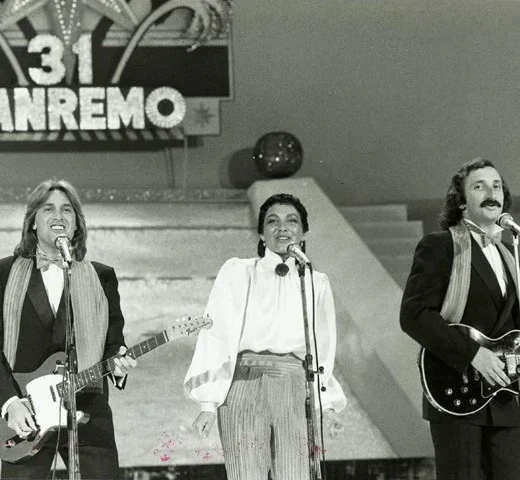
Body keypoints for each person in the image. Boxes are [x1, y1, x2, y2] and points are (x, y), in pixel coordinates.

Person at [184, 193, 346, 480]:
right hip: (242, 385)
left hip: (295, 387)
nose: (282, 227)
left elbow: (323, 347)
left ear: (303, 232)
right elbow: (216, 335)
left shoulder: (315, 281)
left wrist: (327, 404)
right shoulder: (238, 272)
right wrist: (207, 404)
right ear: (261, 233)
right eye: (272, 221)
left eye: (291, 221)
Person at [0, 179, 136, 480]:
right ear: (33, 221)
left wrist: (119, 364)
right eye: (48, 209)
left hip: (88, 408)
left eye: (67, 210)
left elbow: (114, 344)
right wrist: (9, 403)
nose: (58, 216)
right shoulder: (4, 274)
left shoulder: (102, 276)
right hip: (25, 413)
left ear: (76, 224)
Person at [400, 158, 520, 480]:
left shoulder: (512, 253)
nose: (491, 193)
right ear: (462, 201)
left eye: (497, 186)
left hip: (507, 399)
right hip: (458, 391)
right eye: (479, 186)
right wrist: (473, 354)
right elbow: (414, 314)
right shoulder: (440, 245)